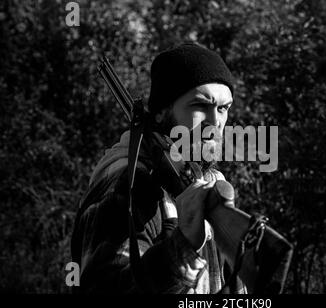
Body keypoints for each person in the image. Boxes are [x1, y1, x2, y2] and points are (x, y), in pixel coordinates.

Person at [71, 43, 247, 294]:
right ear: (163, 111)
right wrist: (182, 245)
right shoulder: (129, 182)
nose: (215, 121)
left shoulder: (206, 179)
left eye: (223, 108)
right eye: (200, 105)